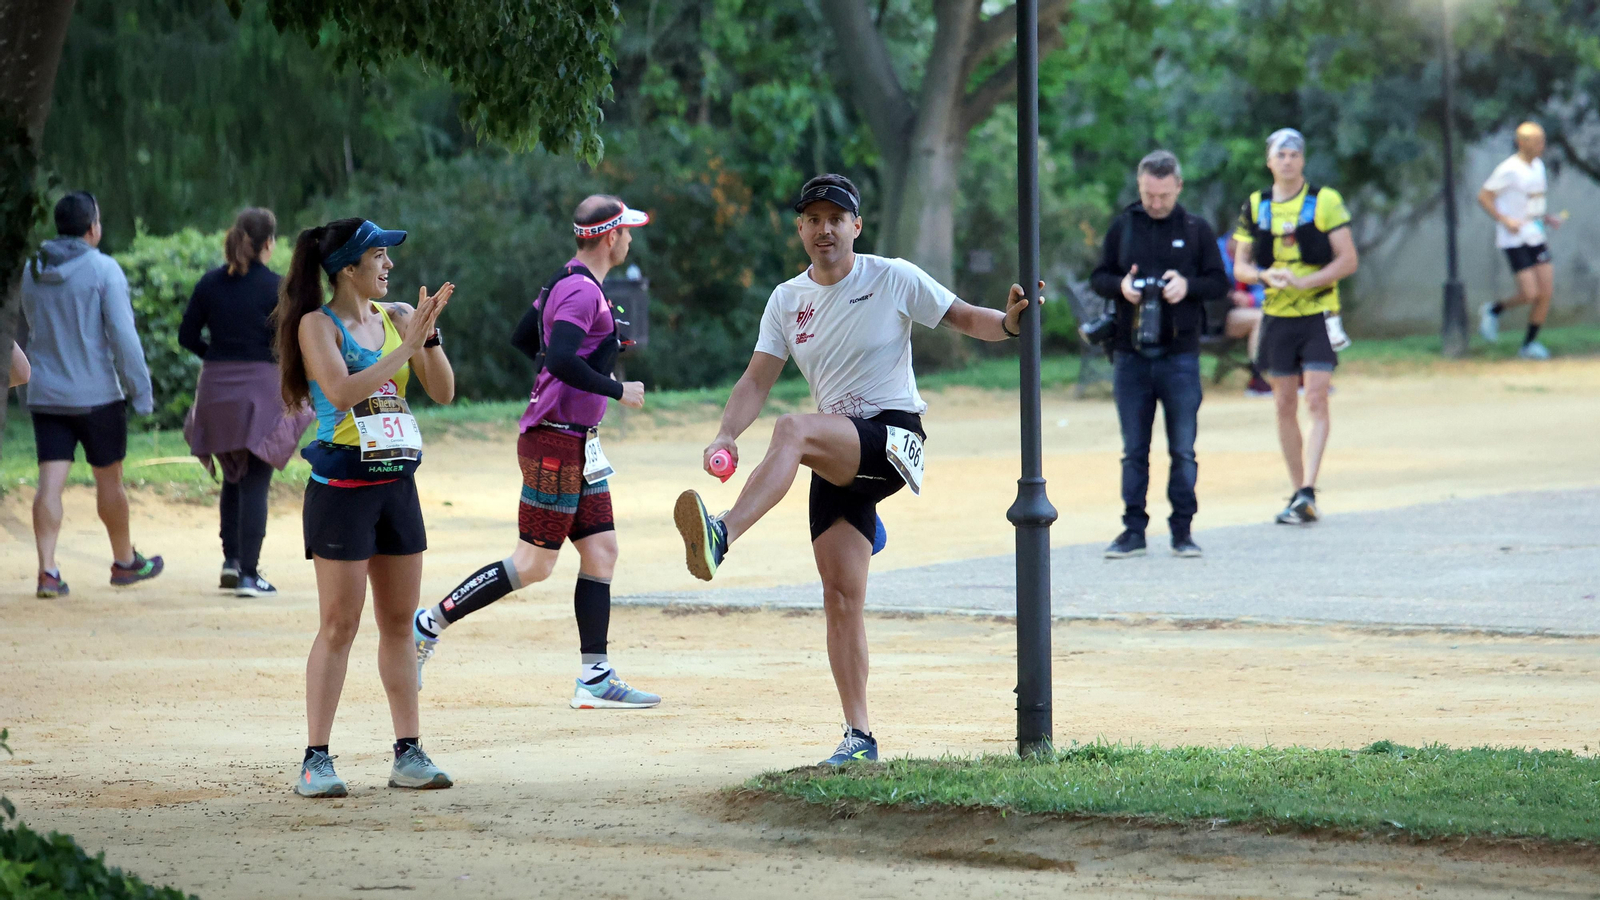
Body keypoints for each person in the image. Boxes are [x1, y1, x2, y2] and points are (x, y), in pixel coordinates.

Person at [672, 174, 1035, 765]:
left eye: (835, 218)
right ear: (800, 229)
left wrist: (1013, 323)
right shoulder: (787, 300)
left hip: (891, 437)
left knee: (794, 429)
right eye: (812, 219)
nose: (824, 230)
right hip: (838, 451)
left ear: (856, 227)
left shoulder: (891, 276)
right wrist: (725, 433)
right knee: (841, 596)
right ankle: (859, 737)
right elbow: (756, 378)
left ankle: (722, 534)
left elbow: (967, 318)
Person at [411, 195, 661, 711]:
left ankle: (595, 679)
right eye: (628, 231)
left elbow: (529, 338)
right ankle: (428, 623)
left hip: (576, 441)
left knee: (601, 551)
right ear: (611, 236)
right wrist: (615, 389)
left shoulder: (567, 281)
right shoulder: (579, 291)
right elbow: (562, 356)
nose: (632, 239)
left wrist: (580, 373)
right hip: (554, 441)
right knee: (533, 564)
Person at [276, 217, 456, 798]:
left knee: (400, 623)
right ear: (347, 269)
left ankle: (409, 751)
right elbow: (342, 392)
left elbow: (444, 391)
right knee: (339, 624)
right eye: (378, 256)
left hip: (397, 483)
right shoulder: (315, 326)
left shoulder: (400, 316)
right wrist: (402, 348)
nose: (390, 266)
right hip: (342, 489)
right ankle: (316, 758)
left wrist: (423, 338)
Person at [20, 191, 163, 598]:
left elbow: (24, 327)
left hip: (46, 393)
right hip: (98, 395)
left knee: (49, 484)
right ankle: (123, 562)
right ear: (92, 228)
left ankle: (47, 571)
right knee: (109, 482)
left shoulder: (33, 268)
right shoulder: (104, 269)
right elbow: (122, 336)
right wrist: (141, 393)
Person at [1090, 150, 1229, 560]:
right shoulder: (1124, 227)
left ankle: (1183, 531)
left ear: (1178, 187)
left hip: (1180, 356)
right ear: (1140, 186)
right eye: (1149, 195)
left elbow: (1219, 283)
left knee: (1183, 449)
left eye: (1163, 196)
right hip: (1131, 354)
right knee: (1134, 450)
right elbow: (1099, 277)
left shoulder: (1195, 229)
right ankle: (1133, 530)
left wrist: (1186, 286)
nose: (1155, 203)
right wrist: (1123, 287)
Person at [180, 207, 314, 597]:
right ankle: (250, 575)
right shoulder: (278, 287)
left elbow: (186, 336)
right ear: (269, 244)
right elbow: (294, 341)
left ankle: (231, 561)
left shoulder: (210, 283)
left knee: (233, 475)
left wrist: (218, 356)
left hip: (216, 390)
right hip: (262, 389)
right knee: (256, 477)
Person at [1232, 129, 1359, 526]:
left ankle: (1309, 489)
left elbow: (1347, 259)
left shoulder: (1325, 202)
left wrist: (1308, 281)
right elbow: (1240, 266)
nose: (1287, 160)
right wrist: (1264, 276)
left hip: (1319, 312)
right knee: (1284, 401)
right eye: (1280, 154)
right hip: (1277, 315)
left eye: (1294, 154)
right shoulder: (1256, 206)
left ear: (1302, 161)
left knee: (1317, 397)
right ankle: (1297, 487)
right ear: (1269, 161)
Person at [1477, 121, 1565, 360]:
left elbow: (1532, 203)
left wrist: (1547, 218)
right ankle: (1493, 310)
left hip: (1535, 234)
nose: (1541, 146)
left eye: (1543, 140)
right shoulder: (1509, 169)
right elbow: (1484, 197)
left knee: (1545, 292)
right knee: (1529, 293)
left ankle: (1528, 345)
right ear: (1521, 142)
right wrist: (1505, 220)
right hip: (1513, 238)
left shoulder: (1538, 166)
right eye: (1536, 141)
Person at [1220, 233, 1270, 396]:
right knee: (1260, 318)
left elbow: (1264, 290)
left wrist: (1250, 299)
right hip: (1216, 317)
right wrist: (1231, 296)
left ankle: (1295, 373)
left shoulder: (1249, 258)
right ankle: (1257, 376)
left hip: (1239, 313)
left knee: (1273, 315)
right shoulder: (1215, 252)